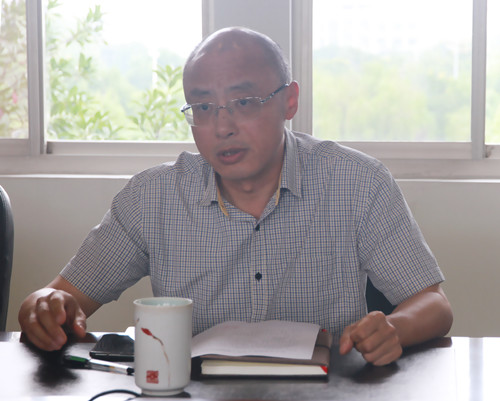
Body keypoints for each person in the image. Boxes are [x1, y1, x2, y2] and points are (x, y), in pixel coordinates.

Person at [18, 27, 452, 366]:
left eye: (244, 102)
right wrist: (43, 309)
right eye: (203, 108)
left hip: (325, 390)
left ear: (290, 101)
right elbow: (56, 299)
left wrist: (394, 328)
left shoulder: (357, 182)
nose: (222, 127)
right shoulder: (152, 198)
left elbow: (434, 305)